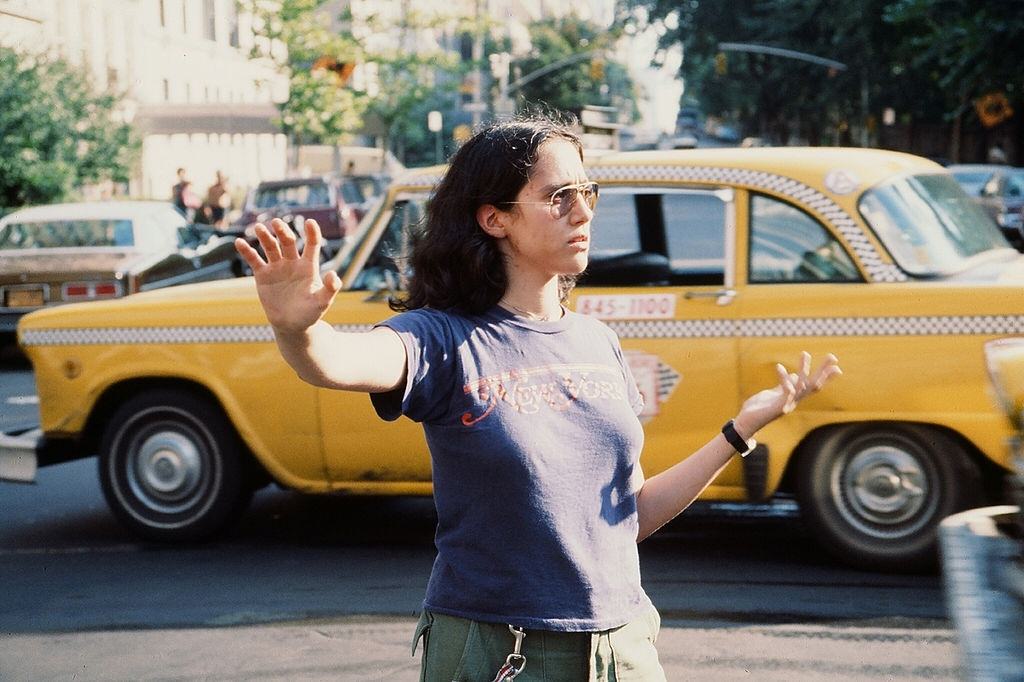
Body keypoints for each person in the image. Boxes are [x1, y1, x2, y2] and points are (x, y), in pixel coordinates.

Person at [234, 115, 841, 681]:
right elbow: (338, 363)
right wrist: (298, 330)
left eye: (587, 192)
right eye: (559, 197)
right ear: (493, 218)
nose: (584, 211)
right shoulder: (441, 338)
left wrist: (739, 432)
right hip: (502, 651)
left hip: (622, 647)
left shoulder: (597, 340)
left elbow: (628, 517)